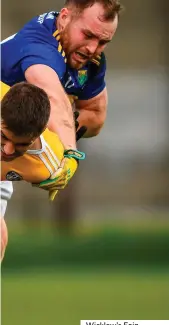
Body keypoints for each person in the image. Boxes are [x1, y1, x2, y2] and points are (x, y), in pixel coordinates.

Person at [1, 0, 122, 184]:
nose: (92, 48)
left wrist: (57, 127)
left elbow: (95, 116)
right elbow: (53, 98)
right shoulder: (39, 46)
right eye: (87, 35)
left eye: (103, 42)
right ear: (64, 17)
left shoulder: (91, 61)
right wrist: (69, 153)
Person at [0, 81, 82, 261]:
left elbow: (61, 111)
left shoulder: (48, 165)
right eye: (3, 136)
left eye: (21, 144)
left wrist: (71, 161)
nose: (8, 150)